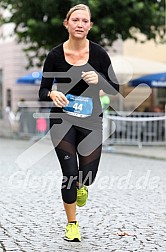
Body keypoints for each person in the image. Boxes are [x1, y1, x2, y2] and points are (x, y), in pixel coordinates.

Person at [39, 4, 119, 242]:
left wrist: (100, 79)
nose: (80, 24)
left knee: (87, 176)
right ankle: (72, 224)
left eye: (85, 21)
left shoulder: (99, 54)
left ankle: (83, 186)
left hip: (91, 122)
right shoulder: (54, 55)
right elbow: (42, 91)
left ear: (90, 26)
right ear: (67, 24)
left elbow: (115, 89)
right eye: (76, 20)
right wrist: (52, 94)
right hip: (62, 121)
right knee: (70, 174)